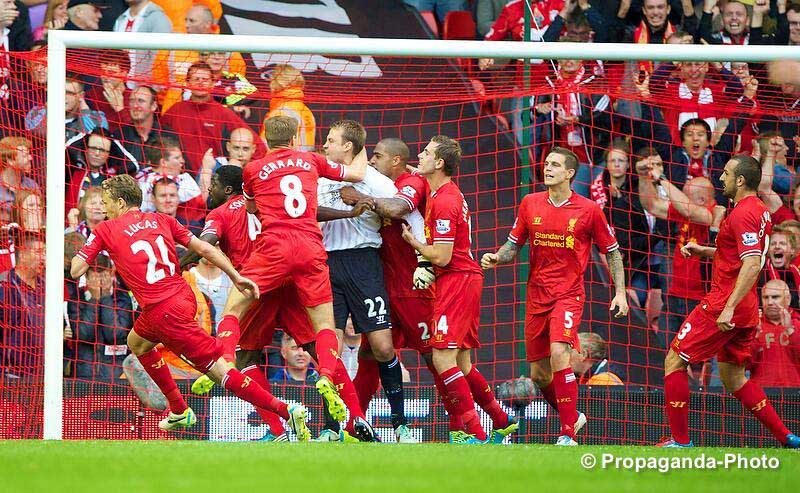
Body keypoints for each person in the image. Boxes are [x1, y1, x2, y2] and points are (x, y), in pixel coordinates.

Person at [70, 174, 311, 439]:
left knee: (221, 372)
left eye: (106, 203)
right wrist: (236, 276)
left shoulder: (106, 229)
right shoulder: (163, 219)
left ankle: (286, 410)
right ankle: (179, 408)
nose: (104, 209)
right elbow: (206, 249)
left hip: (164, 310)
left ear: (119, 202)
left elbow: (76, 270)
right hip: (182, 296)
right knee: (137, 342)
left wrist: (84, 249)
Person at [339, 137, 516, 443]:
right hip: (387, 286)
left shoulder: (416, 184)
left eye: (377, 156)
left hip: (417, 287)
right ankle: (354, 425)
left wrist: (360, 199)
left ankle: (465, 427)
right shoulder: (392, 181)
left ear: (395, 160)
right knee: (372, 354)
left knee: (440, 361)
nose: (371, 162)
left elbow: (399, 207)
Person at [185, 165, 376, 442]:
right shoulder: (268, 200)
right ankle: (357, 419)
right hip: (289, 282)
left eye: (213, 183)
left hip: (255, 288)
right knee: (320, 349)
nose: (209, 189)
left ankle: (278, 430)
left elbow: (206, 244)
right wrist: (347, 214)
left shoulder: (220, 214)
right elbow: (310, 213)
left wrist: (176, 263)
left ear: (228, 189)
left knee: (244, 357)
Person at [213, 115, 368, 433]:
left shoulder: (251, 174)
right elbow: (356, 173)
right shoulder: (311, 160)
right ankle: (349, 413)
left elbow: (222, 229)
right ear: (296, 137)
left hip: (269, 262)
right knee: (323, 334)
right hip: (308, 253)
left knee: (240, 335)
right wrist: (360, 143)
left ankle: (230, 368)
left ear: (263, 139)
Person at [481, 146, 629, 446]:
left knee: (560, 352)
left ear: (570, 173)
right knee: (538, 374)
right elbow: (514, 245)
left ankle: (567, 433)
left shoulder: (588, 210)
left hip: (568, 295)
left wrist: (621, 293)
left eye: (555, 165)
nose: (547, 168)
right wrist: (498, 257)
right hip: (537, 296)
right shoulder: (530, 203)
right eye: (546, 163)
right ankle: (572, 415)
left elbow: (612, 252)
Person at [660, 154, 799, 448]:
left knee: (674, 360)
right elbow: (745, 256)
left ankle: (680, 442)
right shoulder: (759, 210)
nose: (720, 178)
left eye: (725, 174)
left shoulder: (742, 214)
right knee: (733, 377)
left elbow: (751, 264)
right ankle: (786, 436)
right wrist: (706, 251)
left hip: (726, 301)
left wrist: (729, 307)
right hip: (747, 305)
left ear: (739, 180)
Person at [401, 135, 518, 444]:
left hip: (457, 280)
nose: (420, 155)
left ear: (440, 163)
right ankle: (502, 419)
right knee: (462, 364)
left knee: (442, 360)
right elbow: (418, 170)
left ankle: (476, 433)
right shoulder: (442, 190)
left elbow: (442, 256)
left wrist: (414, 243)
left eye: (426, 153)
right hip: (461, 280)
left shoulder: (445, 201)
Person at [317, 120, 414, 442]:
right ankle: (331, 428)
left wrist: (364, 200)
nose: (326, 145)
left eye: (331, 140)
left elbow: (400, 211)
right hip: (329, 263)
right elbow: (308, 211)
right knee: (330, 349)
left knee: (383, 347)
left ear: (348, 146)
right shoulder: (320, 176)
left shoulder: (376, 181)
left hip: (364, 262)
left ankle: (401, 425)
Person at [751, 279, 800, 388]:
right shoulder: (754, 326)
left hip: (795, 393)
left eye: (775, 297)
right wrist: (754, 336)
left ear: (788, 299)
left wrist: (790, 331)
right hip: (761, 394)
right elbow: (745, 365)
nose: (769, 302)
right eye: (765, 297)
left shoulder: (798, 324)